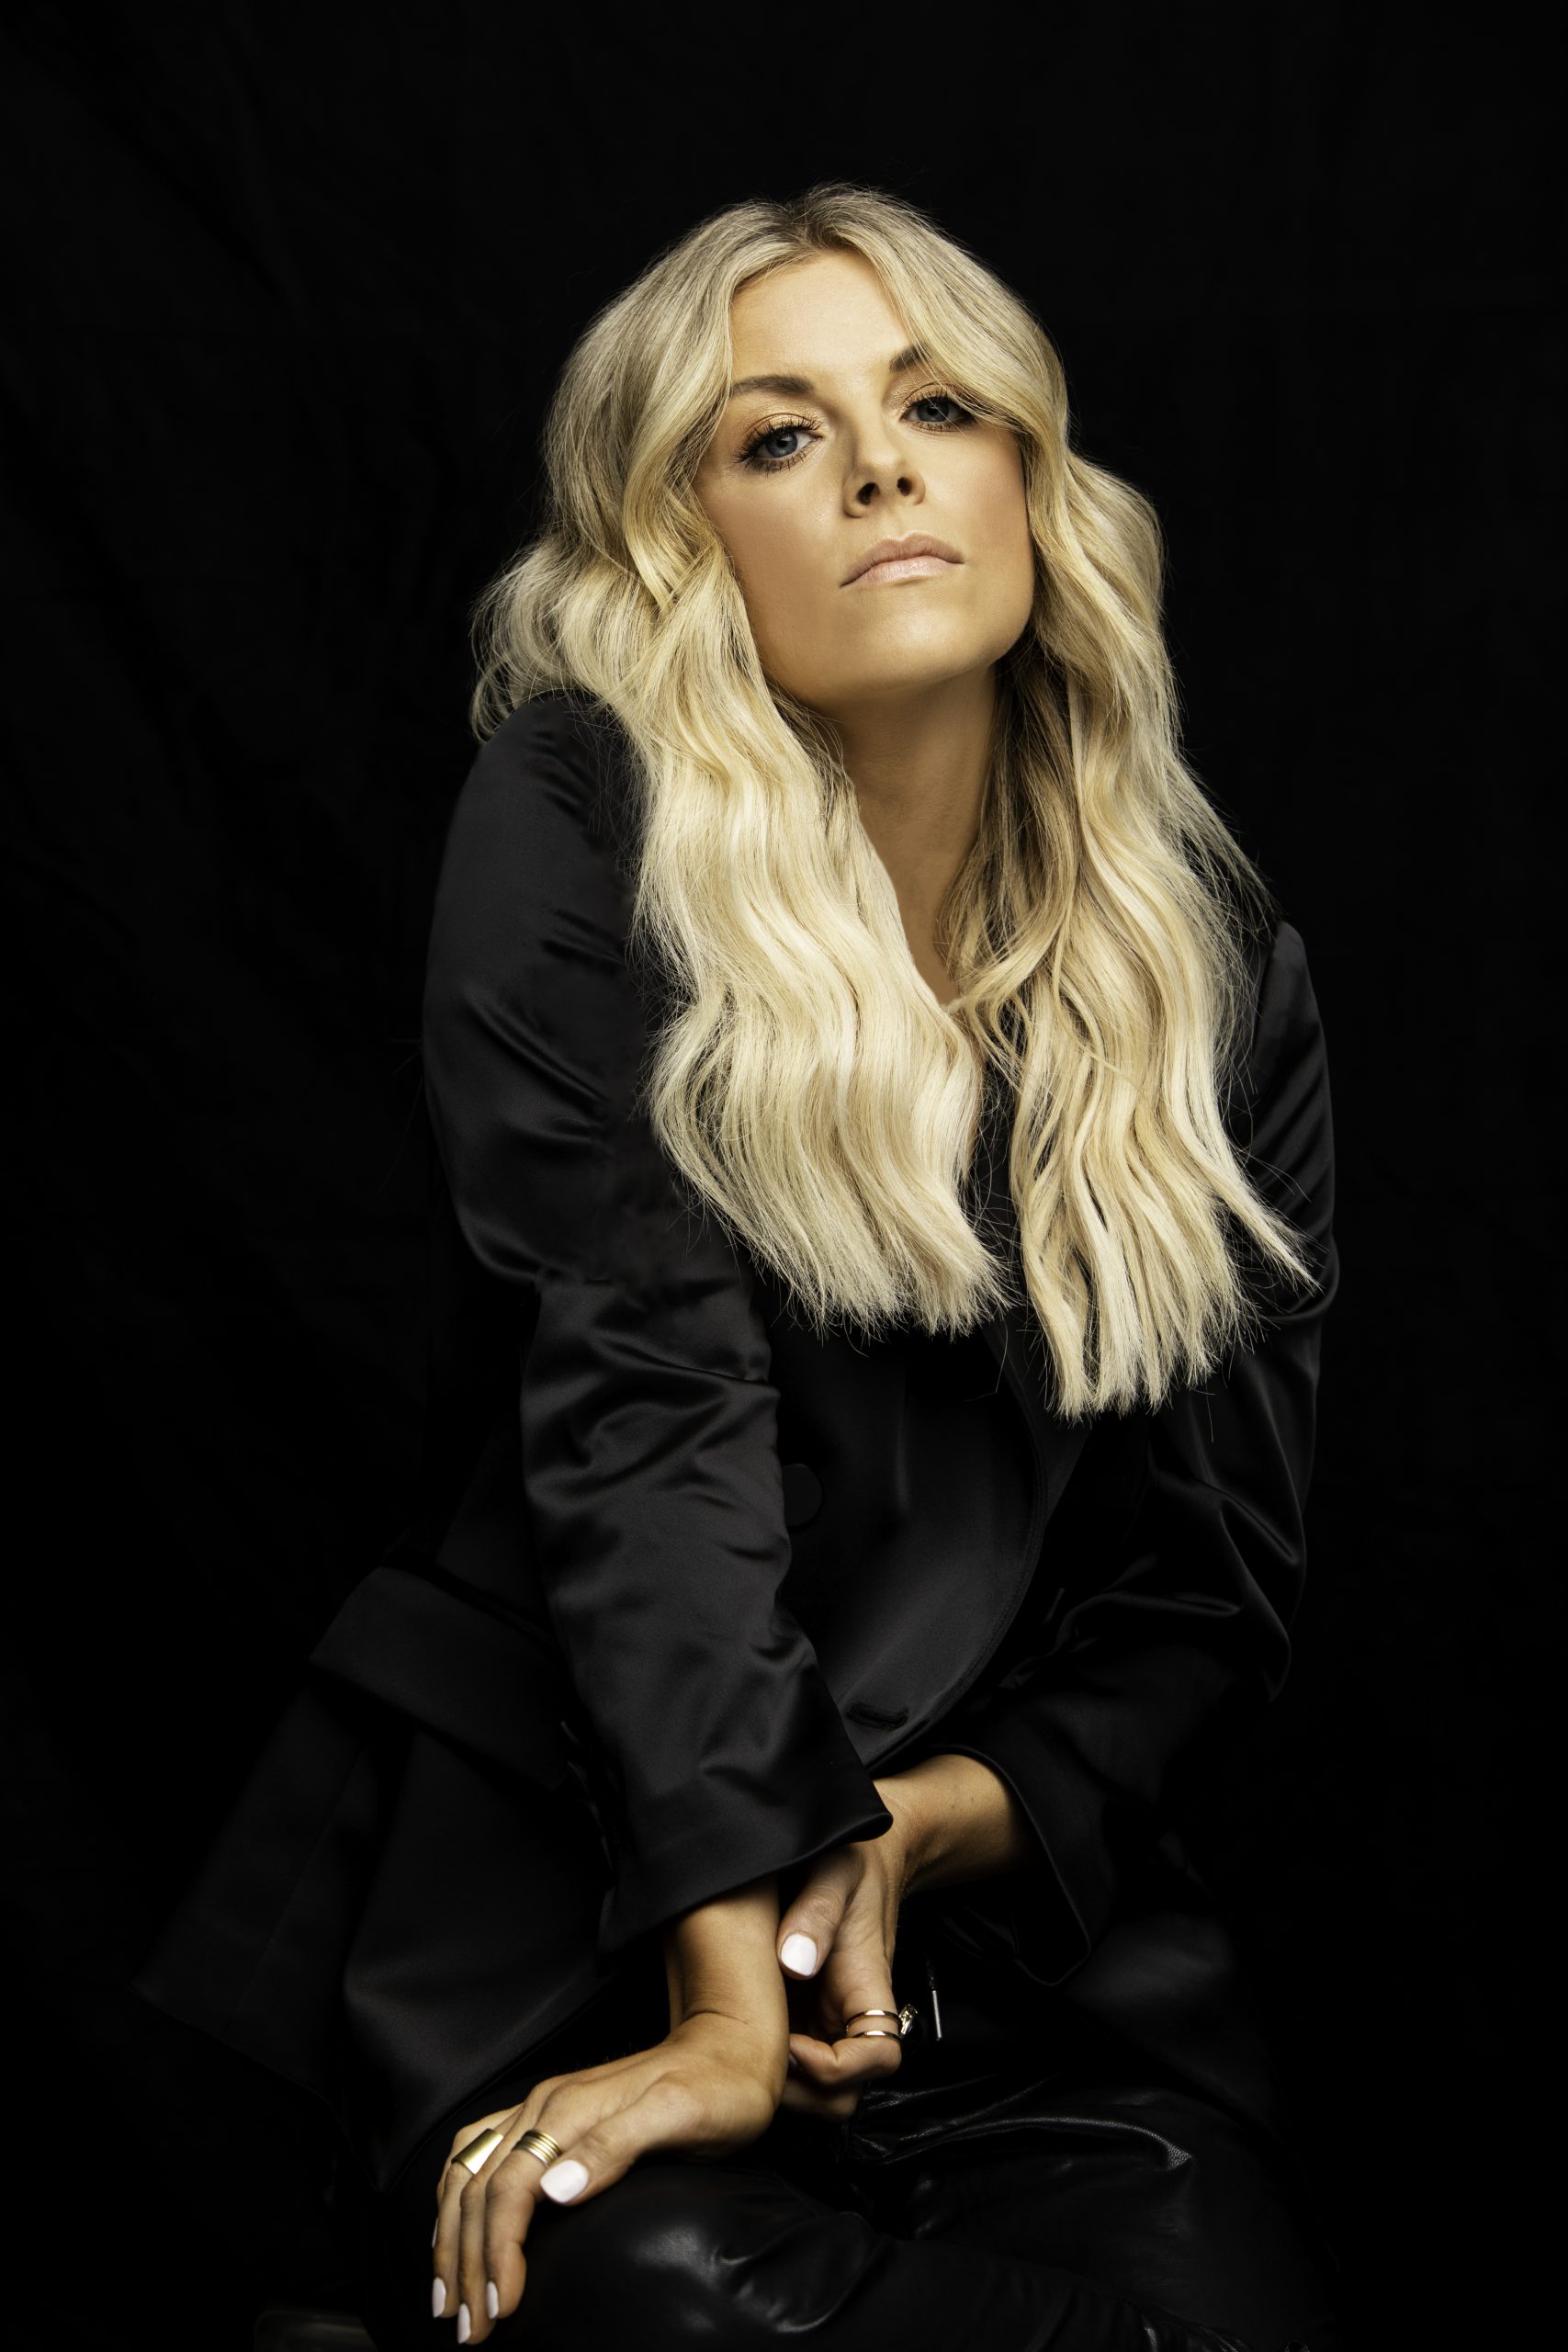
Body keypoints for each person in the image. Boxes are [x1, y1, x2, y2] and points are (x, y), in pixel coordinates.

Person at [130, 183, 1345, 2351]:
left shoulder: (1215, 973)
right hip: (571, 1904)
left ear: (1027, 481)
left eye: (936, 405)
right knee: (702, 2305)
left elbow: (1200, 1589)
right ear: (679, 548)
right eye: (776, 435)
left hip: (976, 1951)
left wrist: (914, 1833)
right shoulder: (580, 818)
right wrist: (717, 2005)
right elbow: (644, 1415)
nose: (878, 466)